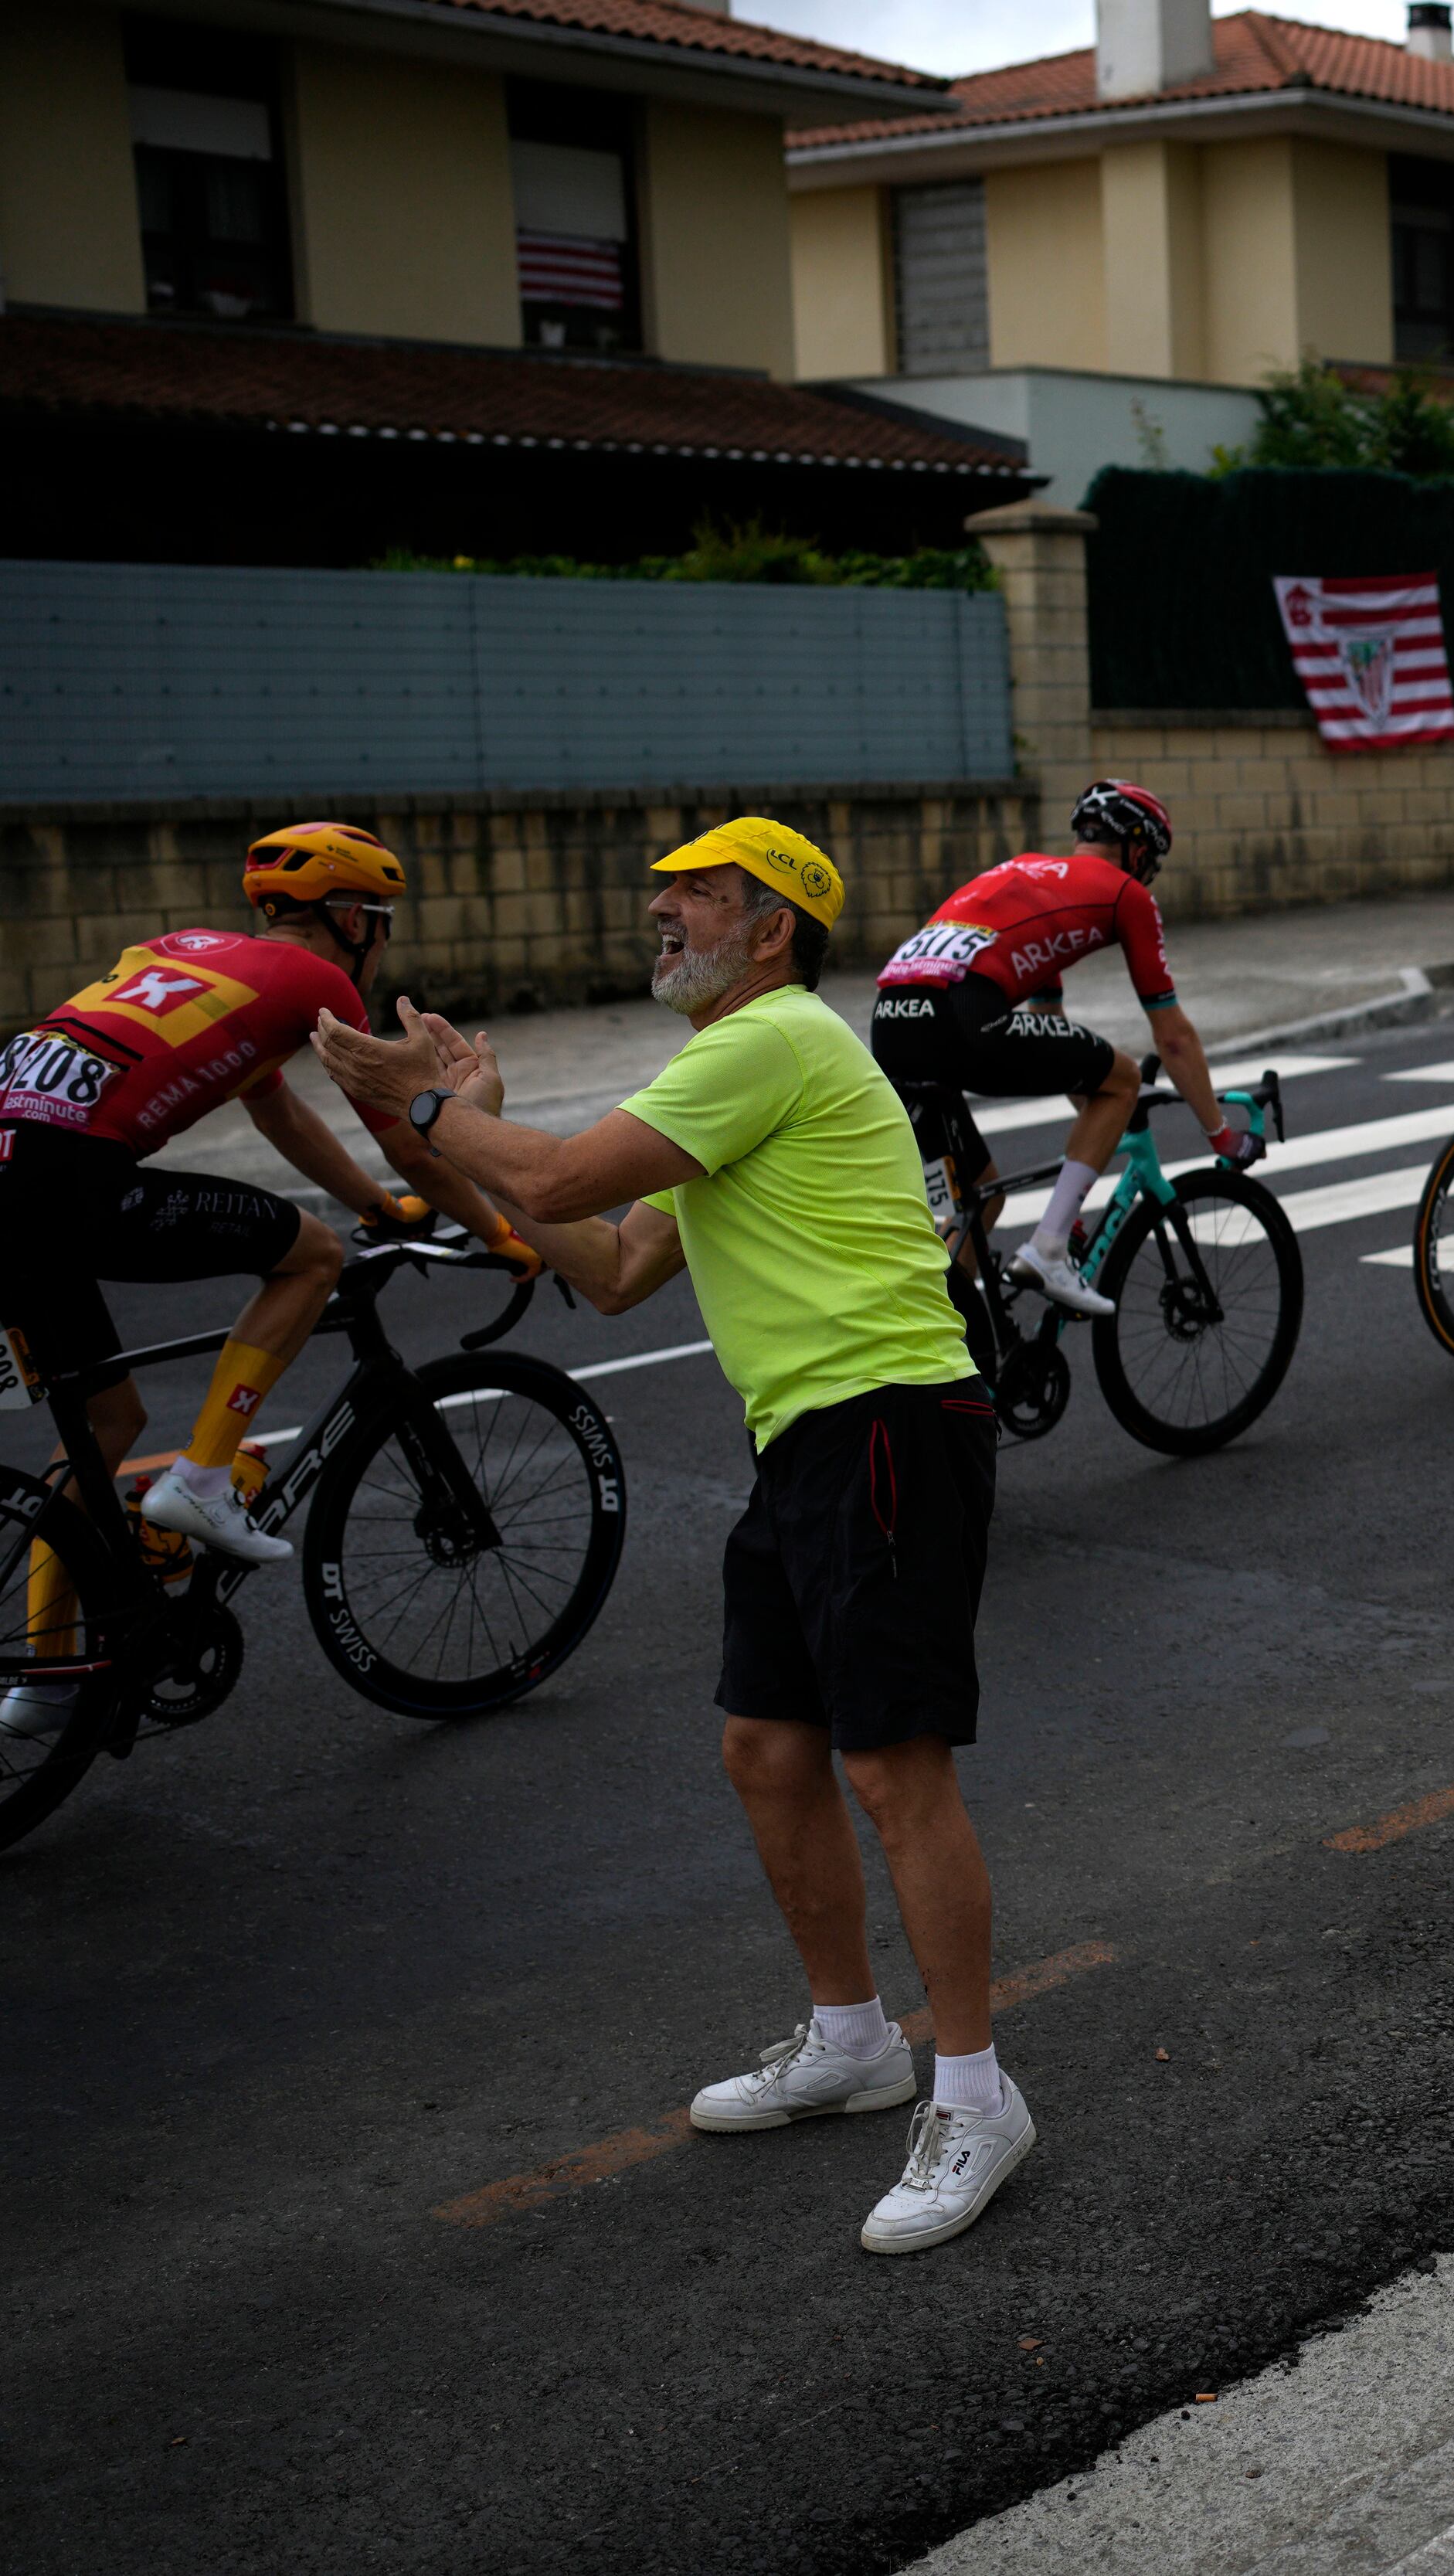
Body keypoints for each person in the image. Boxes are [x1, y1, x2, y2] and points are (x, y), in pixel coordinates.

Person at [311, 817, 1031, 2258]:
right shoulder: (730, 1066)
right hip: (810, 1435)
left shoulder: (770, 1039)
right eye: (666, 888)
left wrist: (447, 1112)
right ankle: (850, 2037)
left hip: (885, 1421)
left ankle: (976, 2091)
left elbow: (568, 1180)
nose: (661, 908)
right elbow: (617, 1258)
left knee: (894, 1767)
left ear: (770, 928)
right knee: (767, 1747)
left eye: (695, 893)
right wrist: (433, 1125)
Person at [0, 824, 532, 1742]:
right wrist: (502, 1231)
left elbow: (273, 1104)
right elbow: (414, 1136)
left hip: (16, 1171)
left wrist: (378, 1204)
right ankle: (204, 1480)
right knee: (313, 1255)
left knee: (102, 1427)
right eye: (381, 920)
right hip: (71, 1180)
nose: (381, 938)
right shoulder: (318, 981)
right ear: (353, 918)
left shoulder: (179, 952)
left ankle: (47, 1680)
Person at [867, 780, 1261, 1323]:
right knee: (1122, 1077)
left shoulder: (1026, 874)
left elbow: (1047, 1031)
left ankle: (931, 1339)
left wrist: (1101, 1120)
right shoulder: (1127, 895)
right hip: (957, 1017)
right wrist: (1222, 1134)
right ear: (1138, 848)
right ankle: (1050, 1250)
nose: (1150, 873)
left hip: (892, 1022)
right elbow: (1172, 1037)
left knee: (980, 1202)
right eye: (1153, 861)